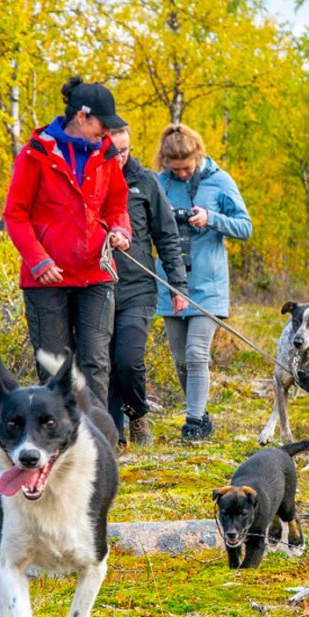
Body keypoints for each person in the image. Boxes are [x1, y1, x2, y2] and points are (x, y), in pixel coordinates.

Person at [2, 76, 133, 404]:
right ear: (81, 116)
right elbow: (15, 214)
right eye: (102, 124)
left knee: (95, 361)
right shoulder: (34, 155)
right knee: (54, 367)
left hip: (96, 274)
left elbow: (117, 202)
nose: (107, 132)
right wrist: (39, 260)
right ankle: (59, 443)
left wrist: (120, 230)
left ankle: (97, 439)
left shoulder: (106, 154)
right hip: (46, 279)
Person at [155, 123, 252, 442]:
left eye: (187, 167)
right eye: (176, 168)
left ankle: (193, 420)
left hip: (208, 286)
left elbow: (245, 227)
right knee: (181, 360)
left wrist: (211, 219)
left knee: (197, 354)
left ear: (198, 156)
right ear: (165, 162)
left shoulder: (220, 181)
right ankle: (201, 413)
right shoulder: (159, 184)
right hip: (170, 283)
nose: (182, 174)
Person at [105, 128, 189, 446]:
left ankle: (137, 413)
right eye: (114, 151)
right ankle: (112, 434)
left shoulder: (145, 182)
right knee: (103, 365)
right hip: (97, 288)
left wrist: (177, 286)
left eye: (125, 150)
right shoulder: (91, 182)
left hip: (138, 287)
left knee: (127, 359)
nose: (121, 157)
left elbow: (166, 236)